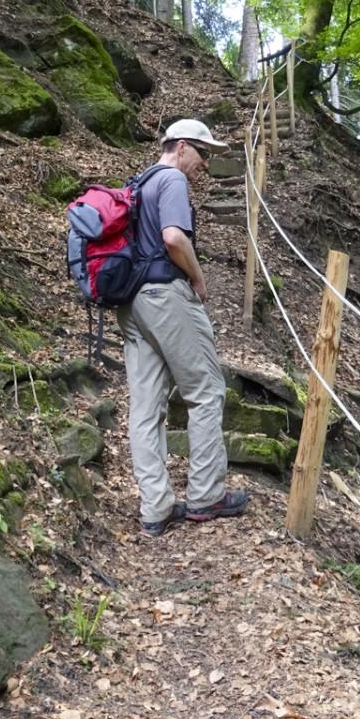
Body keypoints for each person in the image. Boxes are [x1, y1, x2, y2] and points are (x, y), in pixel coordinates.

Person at [120, 119, 250, 536]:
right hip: (164, 295)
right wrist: (198, 277)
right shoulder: (172, 180)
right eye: (203, 153)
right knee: (206, 390)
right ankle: (206, 495)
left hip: (131, 303)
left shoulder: (138, 185)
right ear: (179, 147)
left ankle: (156, 507)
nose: (205, 164)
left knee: (145, 408)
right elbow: (174, 238)